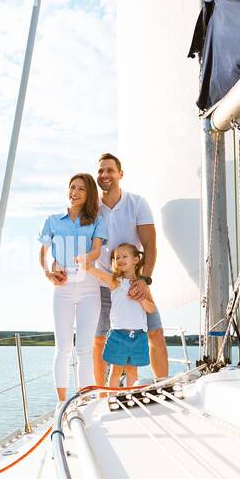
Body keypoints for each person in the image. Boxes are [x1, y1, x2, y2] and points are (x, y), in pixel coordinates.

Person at [91, 152, 169, 385]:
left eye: (110, 170)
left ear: (120, 174)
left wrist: (144, 280)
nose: (105, 175)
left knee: (154, 331)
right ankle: (100, 390)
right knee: (99, 339)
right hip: (105, 283)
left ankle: (162, 383)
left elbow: (150, 246)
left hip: (136, 281)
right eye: (101, 171)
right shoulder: (92, 208)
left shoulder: (137, 203)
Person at [38, 173, 107, 401]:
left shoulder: (97, 220)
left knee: (84, 349)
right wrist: (48, 273)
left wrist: (86, 257)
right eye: (72, 187)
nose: (74, 193)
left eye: (81, 189)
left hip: (89, 286)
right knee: (63, 348)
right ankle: (61, 403)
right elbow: (43, 252)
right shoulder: (53, 220)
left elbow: (97, 250)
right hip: (63, 287)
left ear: (89, 194)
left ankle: (84, 400)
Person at [81, 243, 155, 388]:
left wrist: (141, 299)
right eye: (117, 257)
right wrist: (84, 262)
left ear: (135, 259)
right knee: (116, 371)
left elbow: (151, 309)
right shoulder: (115, 281)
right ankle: (112, 399)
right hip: (118, 335)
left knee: (132, 371)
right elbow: (93, 270)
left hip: (138, 335)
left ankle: (130, 398)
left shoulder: (142, 285)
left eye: (124, 256)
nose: (120, 259)